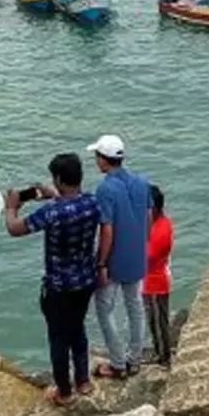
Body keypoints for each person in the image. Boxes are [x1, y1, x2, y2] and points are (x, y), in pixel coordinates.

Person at [4, 153, 102, 406]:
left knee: (58, 337)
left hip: (59, 285)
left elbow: (15, 228)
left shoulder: (53, 212)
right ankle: (83, 381)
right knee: (78, 329)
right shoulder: (93, 202)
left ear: (58, 178)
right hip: (86, 280)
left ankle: (64, 392)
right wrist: (53, 194)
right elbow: (73, 203)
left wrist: (11, 206)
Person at [88, 134, 150, 378]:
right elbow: (147, 217)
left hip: (115, 258)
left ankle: (117, 362)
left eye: (97, 156)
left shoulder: (105, 189)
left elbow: (107, 229)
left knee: (104, 308)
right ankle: (135, 358)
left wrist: (101, 262)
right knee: (135, 306)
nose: (96, 161)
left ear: (104, 159)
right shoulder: (142, 183)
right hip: (137, 253)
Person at [143, 184, 175, 367]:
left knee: (157, 322)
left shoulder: (159, 231)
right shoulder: (161, 222)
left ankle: (163, 357)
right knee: (154, 320)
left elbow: (145, 256)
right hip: (152, 278)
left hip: (156, 283)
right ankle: (160, 352)